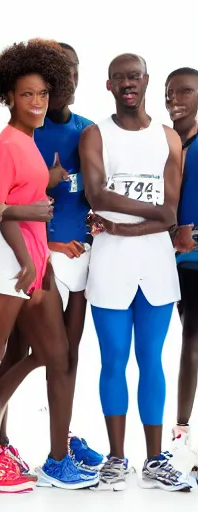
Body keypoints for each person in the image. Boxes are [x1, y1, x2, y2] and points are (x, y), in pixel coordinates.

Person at [0, 39, 95, 493]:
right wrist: (30, 230)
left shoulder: (28, 142)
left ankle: (57, 458)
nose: (37, 102)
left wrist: (37, 245)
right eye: (26, 95)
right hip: (7, 262)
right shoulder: (5, 145)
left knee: (55, 357)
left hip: (34, 263)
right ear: (9, 97)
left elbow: (21, 201)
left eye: (42, 93)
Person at [82, 53, 189, 492]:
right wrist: (151, 215)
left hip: (156, 265)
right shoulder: (95, 134)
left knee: (152, 362)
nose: (129, 84)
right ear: (109, 85)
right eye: (120, 78)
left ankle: (154, 459)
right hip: (108, 263)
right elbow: (94, 191)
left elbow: (172, 215)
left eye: (136, 76)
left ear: (147, 82)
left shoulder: (168, 138)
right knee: (112, 361)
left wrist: (128, 226)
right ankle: (116, 458)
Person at [167, 66, 198, 470]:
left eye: (187, 91)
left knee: (193, 341)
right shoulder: (168, 142)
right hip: (172, 263)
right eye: (170, 93)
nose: (176, 98)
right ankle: (181, 436)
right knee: (188, 340)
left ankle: (181, 433)